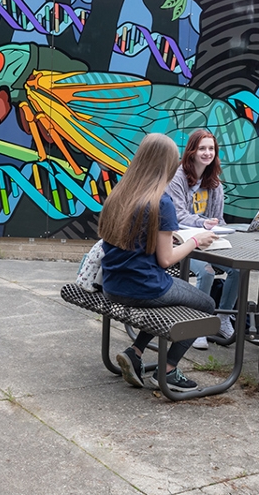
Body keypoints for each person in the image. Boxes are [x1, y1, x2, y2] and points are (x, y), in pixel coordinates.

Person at [99, 133, 218, 393]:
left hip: (112, 284)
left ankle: (135, 351)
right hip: (144, 287)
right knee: (207, 305)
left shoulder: (121, 193)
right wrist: (195, 241)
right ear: (166, 164)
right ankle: (168, 371)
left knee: (178, 294)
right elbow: (166, 260)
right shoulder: (161, 202)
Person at [165, 129, 241, 348]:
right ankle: (198, 324)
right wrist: (202, 223)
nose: (207, 153)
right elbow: (178, 215)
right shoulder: (177, 177)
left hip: (208, 240)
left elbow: (218, 219)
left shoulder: (215, 183)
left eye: (211, 149)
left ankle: (223, 319)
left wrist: (220, 229)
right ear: (191, 151)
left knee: (237, 270)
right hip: (181, 241)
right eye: (202, 148)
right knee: (206, 271)